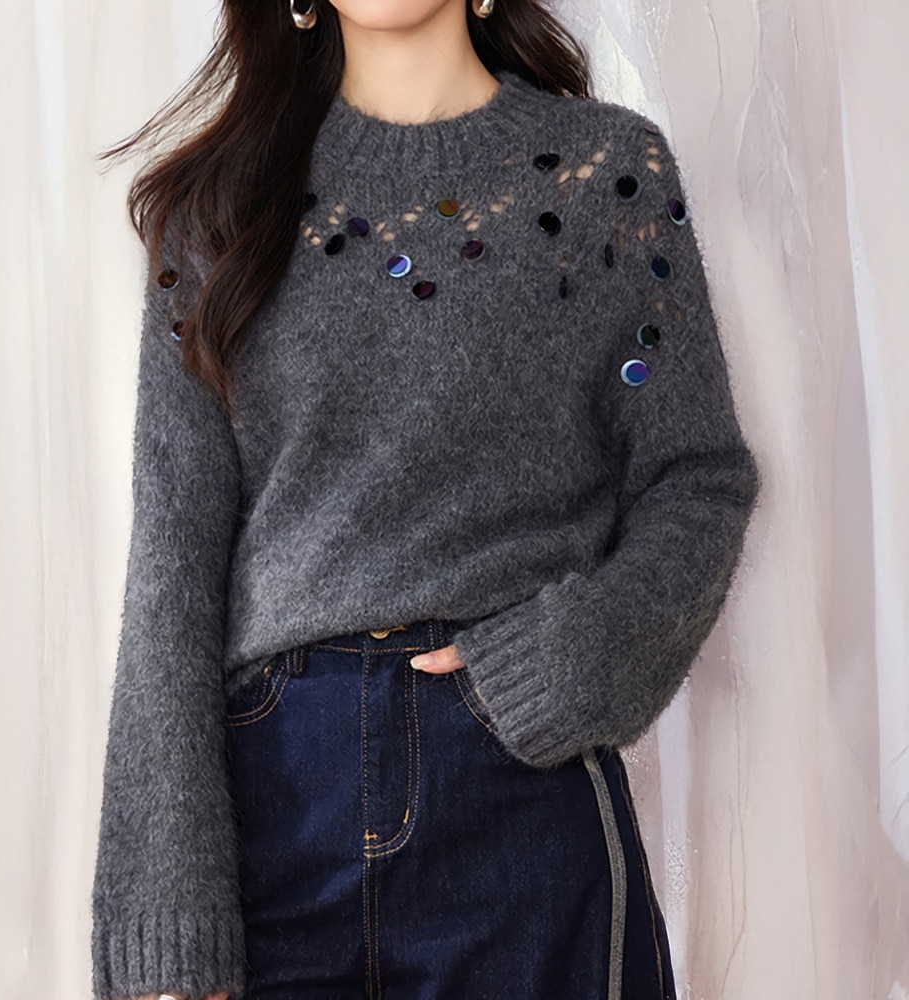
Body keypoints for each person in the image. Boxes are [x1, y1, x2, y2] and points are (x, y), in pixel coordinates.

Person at [89, 0, 761, 995]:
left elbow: (696, 477)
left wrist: (566, 662)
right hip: (274, 809)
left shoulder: (605, 175)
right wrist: (165, 914)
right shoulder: (216, 206)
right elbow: (172, 568)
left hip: (519, 802)